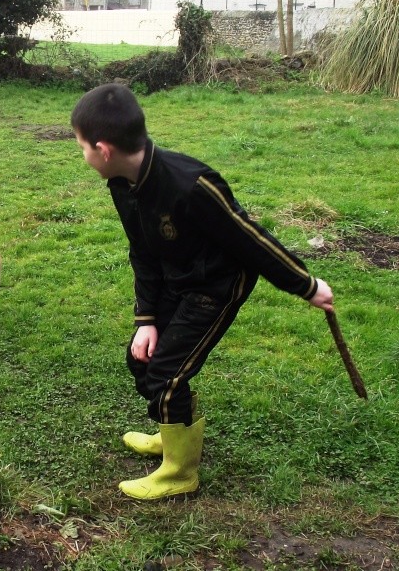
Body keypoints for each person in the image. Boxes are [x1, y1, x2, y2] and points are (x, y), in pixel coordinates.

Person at [71, 83, 334, 501]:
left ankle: (180, 473)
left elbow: (251, 239)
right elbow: (142, 251)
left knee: (168, 375)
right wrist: (147, 320)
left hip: (218, 284)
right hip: (179, 277)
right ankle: (172, 432)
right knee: (143, 358)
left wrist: (306, 285)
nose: (81, 155)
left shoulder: (191, 185)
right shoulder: (123, 183)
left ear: (103, 149)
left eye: (81, 146)